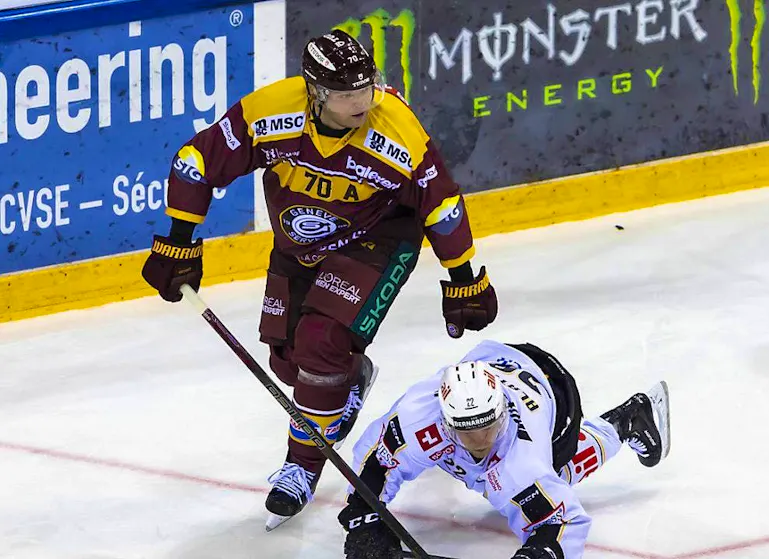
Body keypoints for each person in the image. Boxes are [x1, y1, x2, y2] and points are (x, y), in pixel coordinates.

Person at [139, 31, 499, 529]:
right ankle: (348, 382)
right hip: (298, 247)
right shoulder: (272, 112)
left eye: (367, 87)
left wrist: (465, 279)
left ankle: (302, 466)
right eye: (347, 94)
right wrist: (178, 240)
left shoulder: (396, 130)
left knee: (321, 343)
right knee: (289, 362)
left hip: (377, 239)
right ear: (316, 93)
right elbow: (196, 160)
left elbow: (441, 203)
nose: (362, 101)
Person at [337, 340, 670, 559]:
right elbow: (377, 459)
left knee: (551, 480)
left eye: (489, 426)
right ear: (446, 420)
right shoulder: (418, 417)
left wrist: (538, 553)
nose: (483, 439)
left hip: (552, 390)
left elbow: (563, 522)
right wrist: (365, 518)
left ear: (502, 412)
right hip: (488, 362)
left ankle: (624, 422)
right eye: (469, 431)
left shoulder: (523, 461)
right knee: (480, 471)